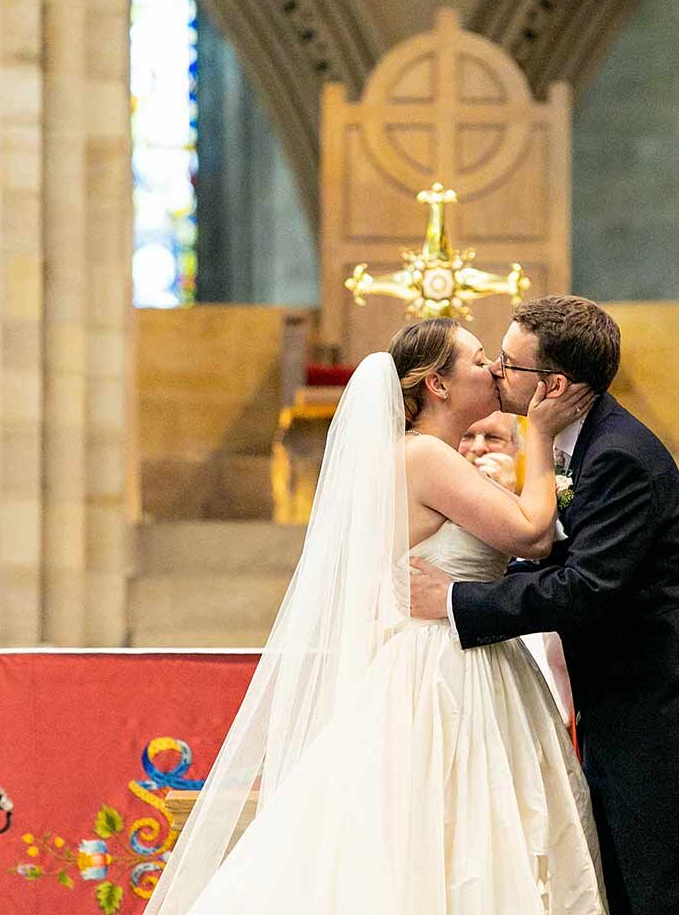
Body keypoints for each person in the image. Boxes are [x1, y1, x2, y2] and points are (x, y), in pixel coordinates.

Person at [147, 318, 605, 915]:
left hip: (467, 653)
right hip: (447, 671)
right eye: (475, 360)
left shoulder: (429, 456)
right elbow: (532, 535)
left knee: (461, 837)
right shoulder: (423, 457)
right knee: (452, 836)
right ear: (437, 386)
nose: (493, 369)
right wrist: (541, 436)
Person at [410, 295, 679, 915]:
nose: (498, 372)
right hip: (619, 719)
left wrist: (454, 598)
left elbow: (584, 588)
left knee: (666, 896)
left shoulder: (618, 456)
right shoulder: (575, 443)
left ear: (553, 385)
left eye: (509, 363)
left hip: (662, 732)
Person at [459, 411, 576, 729]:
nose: (479, 448)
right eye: (467, 436)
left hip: (528, 635)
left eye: (493, 438)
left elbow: (555, 573)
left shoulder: (543, 506)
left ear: (517, 447)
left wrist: (507, 501)